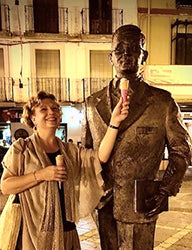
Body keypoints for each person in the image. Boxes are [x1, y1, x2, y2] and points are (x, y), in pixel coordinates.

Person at [81, 24, 191, 250]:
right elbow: (86, 153)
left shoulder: (162, 102)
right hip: (102, 204)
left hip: (141, 202)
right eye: (119, 50)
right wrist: (91, 191)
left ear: (144, 55)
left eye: (133, 49)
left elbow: (181, 151)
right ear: (110, 57)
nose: (126, 55)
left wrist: (165, 189)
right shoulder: (92, 103)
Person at [0, 90, 129, 250]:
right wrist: (41, 174)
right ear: (33, 117)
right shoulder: (22, 148)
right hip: (35, 234)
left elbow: (100, 157)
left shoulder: (69, 151)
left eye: (54, 109)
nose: (51, 113)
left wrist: (114, 122)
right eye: (43, 109)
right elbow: (6, 186)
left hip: (67, 230)